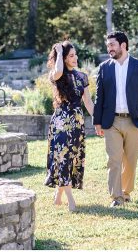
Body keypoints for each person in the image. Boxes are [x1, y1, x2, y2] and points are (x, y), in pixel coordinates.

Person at [93, 31, 138, 207]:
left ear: (123, 45)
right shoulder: (104, 67)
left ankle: (126, 192)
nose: (109, 48)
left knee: (130, 161)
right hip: (111, 122)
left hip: (134, 121)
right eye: (108, 45)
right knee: (114, 160)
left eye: (112, 45)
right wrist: (97, 121)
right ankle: (116, 197)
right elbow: (99, 97)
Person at [45, 40, 94, 212]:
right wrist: (58, 52)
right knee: (62, 157)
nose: (75, 58)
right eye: (71, 56)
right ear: (64, 58)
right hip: (61, 122)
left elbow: (87, 101)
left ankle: (58, 195)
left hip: (77, 122)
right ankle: (70, 200)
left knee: (72, 157)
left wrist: (96, 119)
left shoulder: (82, 77)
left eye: (75, 55)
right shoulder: (56, 74)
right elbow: (58, 71)